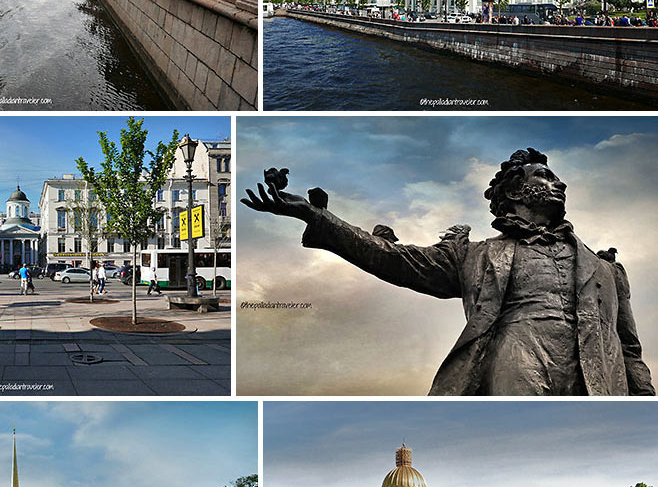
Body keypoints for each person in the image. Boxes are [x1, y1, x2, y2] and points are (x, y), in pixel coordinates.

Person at [244, 148, 654, 396]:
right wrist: (317, 217)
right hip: (516, 366)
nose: (559, 184)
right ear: (513, 192)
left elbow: (630, 350)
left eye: (558, 178)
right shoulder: (473, 256)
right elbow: (394, 260)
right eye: (545, 177)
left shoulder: (606, 269)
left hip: (602, 378)